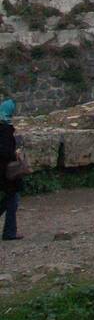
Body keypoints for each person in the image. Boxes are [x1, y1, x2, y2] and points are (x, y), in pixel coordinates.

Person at [0, 99, 24, 242]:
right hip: (6, 171)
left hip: (3, 171)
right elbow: (4, 151)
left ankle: (10, 231)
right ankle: (9, 232)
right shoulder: (5, 129)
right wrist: (15, 154)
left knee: (10, 199)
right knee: (12, 199)